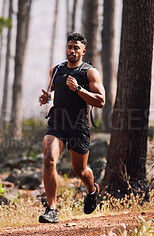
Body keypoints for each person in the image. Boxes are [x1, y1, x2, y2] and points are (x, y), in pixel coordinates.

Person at [37, 32, 105, 223]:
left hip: (79, 126)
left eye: (76, 47)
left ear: (83, 51)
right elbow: (53, 92)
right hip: (57, 123)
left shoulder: (89, 72)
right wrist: (46, 97)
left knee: (80, 171)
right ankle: (51, 209)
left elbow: (101, 101)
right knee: (49, 160)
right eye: (69, 47)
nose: (72, 50)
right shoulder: (56, 70)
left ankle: (92, 190)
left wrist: (79, 89)